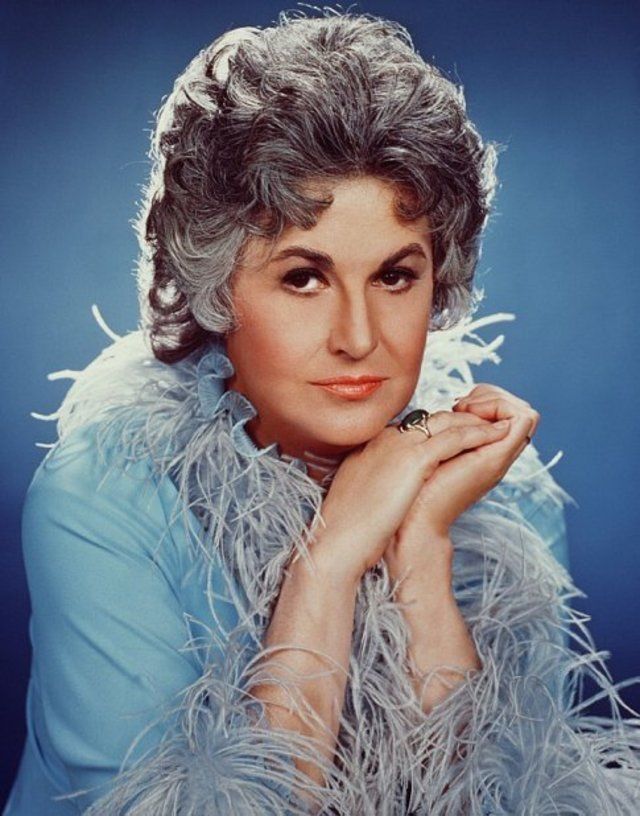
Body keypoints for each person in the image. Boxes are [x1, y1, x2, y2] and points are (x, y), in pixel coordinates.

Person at [5, 9, 640, 815]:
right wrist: (332, 558)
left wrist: (420, 548)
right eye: (303, 278)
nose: (359, 338)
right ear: (214, 287)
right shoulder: (106, 499)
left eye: (394, 276)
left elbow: (505, 800)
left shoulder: (501, 499)